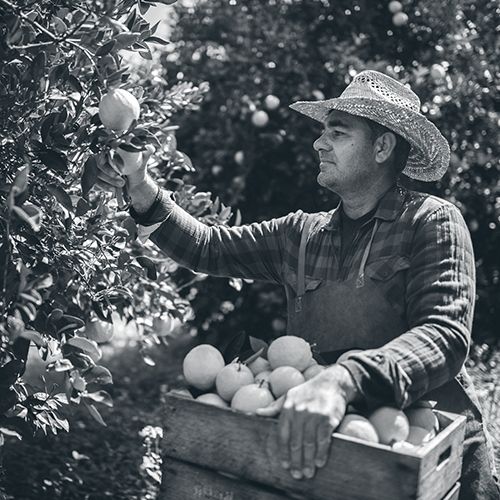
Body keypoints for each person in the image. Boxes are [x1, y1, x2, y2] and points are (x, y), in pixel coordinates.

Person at [96, 70, 499, 499]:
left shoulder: (430, 221)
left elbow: (444, 336)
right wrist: (139, 184)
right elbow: (207, 247)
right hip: (336, 452)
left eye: (338, 133)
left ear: (382, 147)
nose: (318, 143)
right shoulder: (300, 235)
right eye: (323, 132)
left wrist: (343, 379)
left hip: (430, 458)